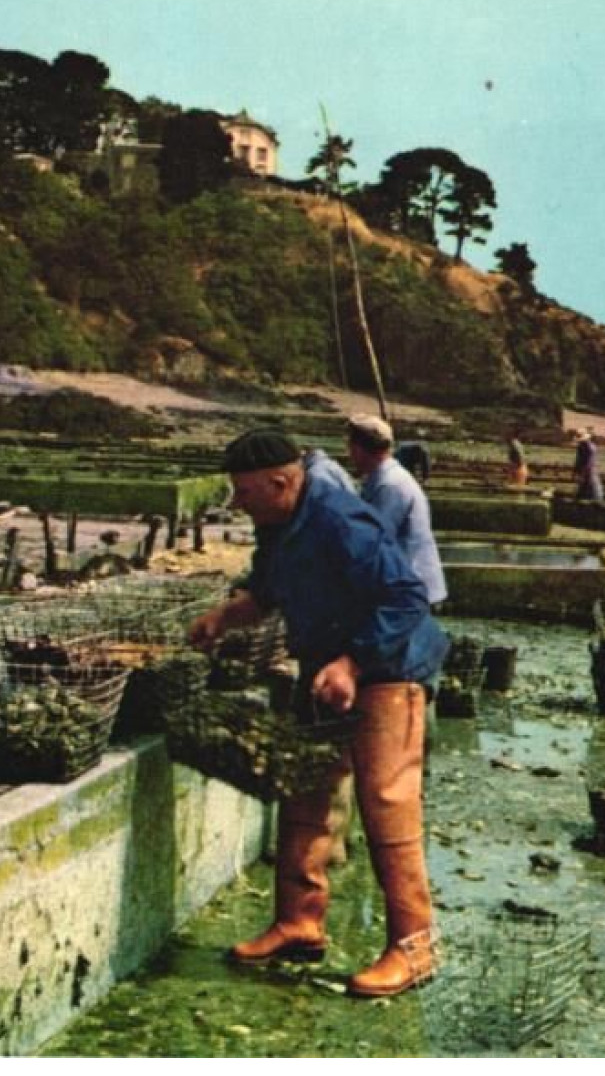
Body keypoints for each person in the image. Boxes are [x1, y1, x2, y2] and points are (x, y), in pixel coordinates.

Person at [188, 428, 448, 998]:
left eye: (247, 493)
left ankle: (415, 947)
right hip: (324, 666)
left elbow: (406, 597)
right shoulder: (278, 523)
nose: (240, 504)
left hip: (388, 668)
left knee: (386, 802)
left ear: (283, 482)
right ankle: (300, 922)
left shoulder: (340, 521)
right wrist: (223, 618)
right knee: (305, 787)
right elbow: (266, 591)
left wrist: (353, 665)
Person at [346, 414, 446, 608]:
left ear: (359, 450)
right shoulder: (383, 479)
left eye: (351, 447)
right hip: (406, 585)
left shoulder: (390, 486)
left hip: (408, 590)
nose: (350, 454)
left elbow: (374, 542)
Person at [573, 427, 603, 502]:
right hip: (587, 472)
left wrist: (582, 473)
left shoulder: (589, 448)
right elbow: (578, 460)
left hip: (589, 472)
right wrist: (576, 471)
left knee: (591, 489)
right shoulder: (582, 446)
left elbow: (588, 462)